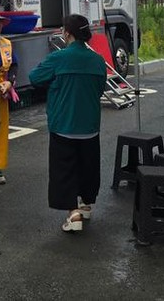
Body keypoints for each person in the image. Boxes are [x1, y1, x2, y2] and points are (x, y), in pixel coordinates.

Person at [29, 14, 107, 233]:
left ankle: (73, 214)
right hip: (90, 125)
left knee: (65, 170)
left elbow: (34, 77)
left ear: (67, 33)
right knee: (88, 167)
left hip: (63, 124)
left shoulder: (59, 58)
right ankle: (86, 204)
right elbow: (101, 88)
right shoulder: (97, 60)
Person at [0, 9, 17, 184]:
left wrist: (10, 82)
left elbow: (14, 65)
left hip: (1, 93)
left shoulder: (6, 43)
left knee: (0, 131)